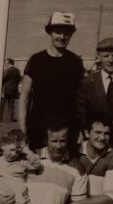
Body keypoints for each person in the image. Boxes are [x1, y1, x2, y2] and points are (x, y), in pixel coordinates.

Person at [18, 11, 84, 151]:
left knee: (66, 168)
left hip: (68, 127)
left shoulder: (76, 62)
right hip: (39, 126)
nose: (62, 37)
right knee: (38, 167)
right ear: (50, 33)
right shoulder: (36, 60)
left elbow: (81, 98)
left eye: (66, 33)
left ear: (71, 35)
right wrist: (22, 128)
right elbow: (24, 96)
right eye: (57, 32)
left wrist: (80, 129)